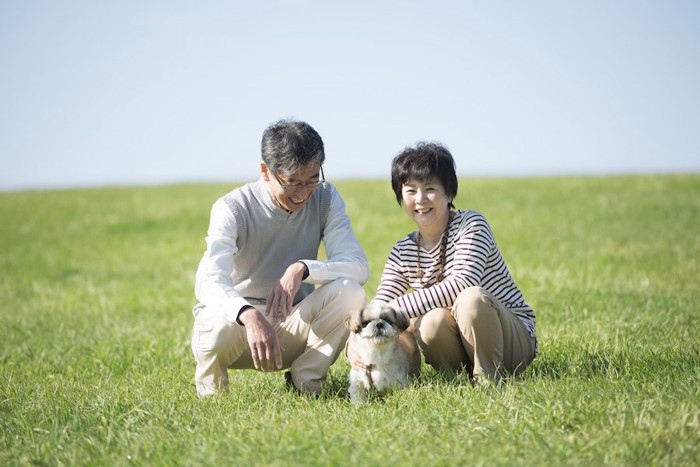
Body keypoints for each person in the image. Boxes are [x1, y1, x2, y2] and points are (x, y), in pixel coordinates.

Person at [191, 119, 369, 397]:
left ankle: (306, 383)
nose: (302, 193)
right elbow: (208, 281)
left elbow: (357, 266)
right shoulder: (232, 208)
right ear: (265, 171)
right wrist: (247, 314)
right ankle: (211, 394)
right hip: (238, 332)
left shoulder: (325, 197)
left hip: (292, 323)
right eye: (292, 182)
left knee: (351, 292)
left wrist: (303, 269)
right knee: (214, 319)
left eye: (311, 179)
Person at [365, 142, 536, 386]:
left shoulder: (472, 225)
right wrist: (358, 339)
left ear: (449, 193)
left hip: (512, 341)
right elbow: (382, 302)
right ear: (400, 197)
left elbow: (461, 283)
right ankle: (460, 380)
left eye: (430, 188)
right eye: (411, 190)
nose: (420, 199)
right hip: (459, 344)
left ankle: (489, 380)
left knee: (470, 298)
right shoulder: (402, 250)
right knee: (430, 321)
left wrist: (394, 310)